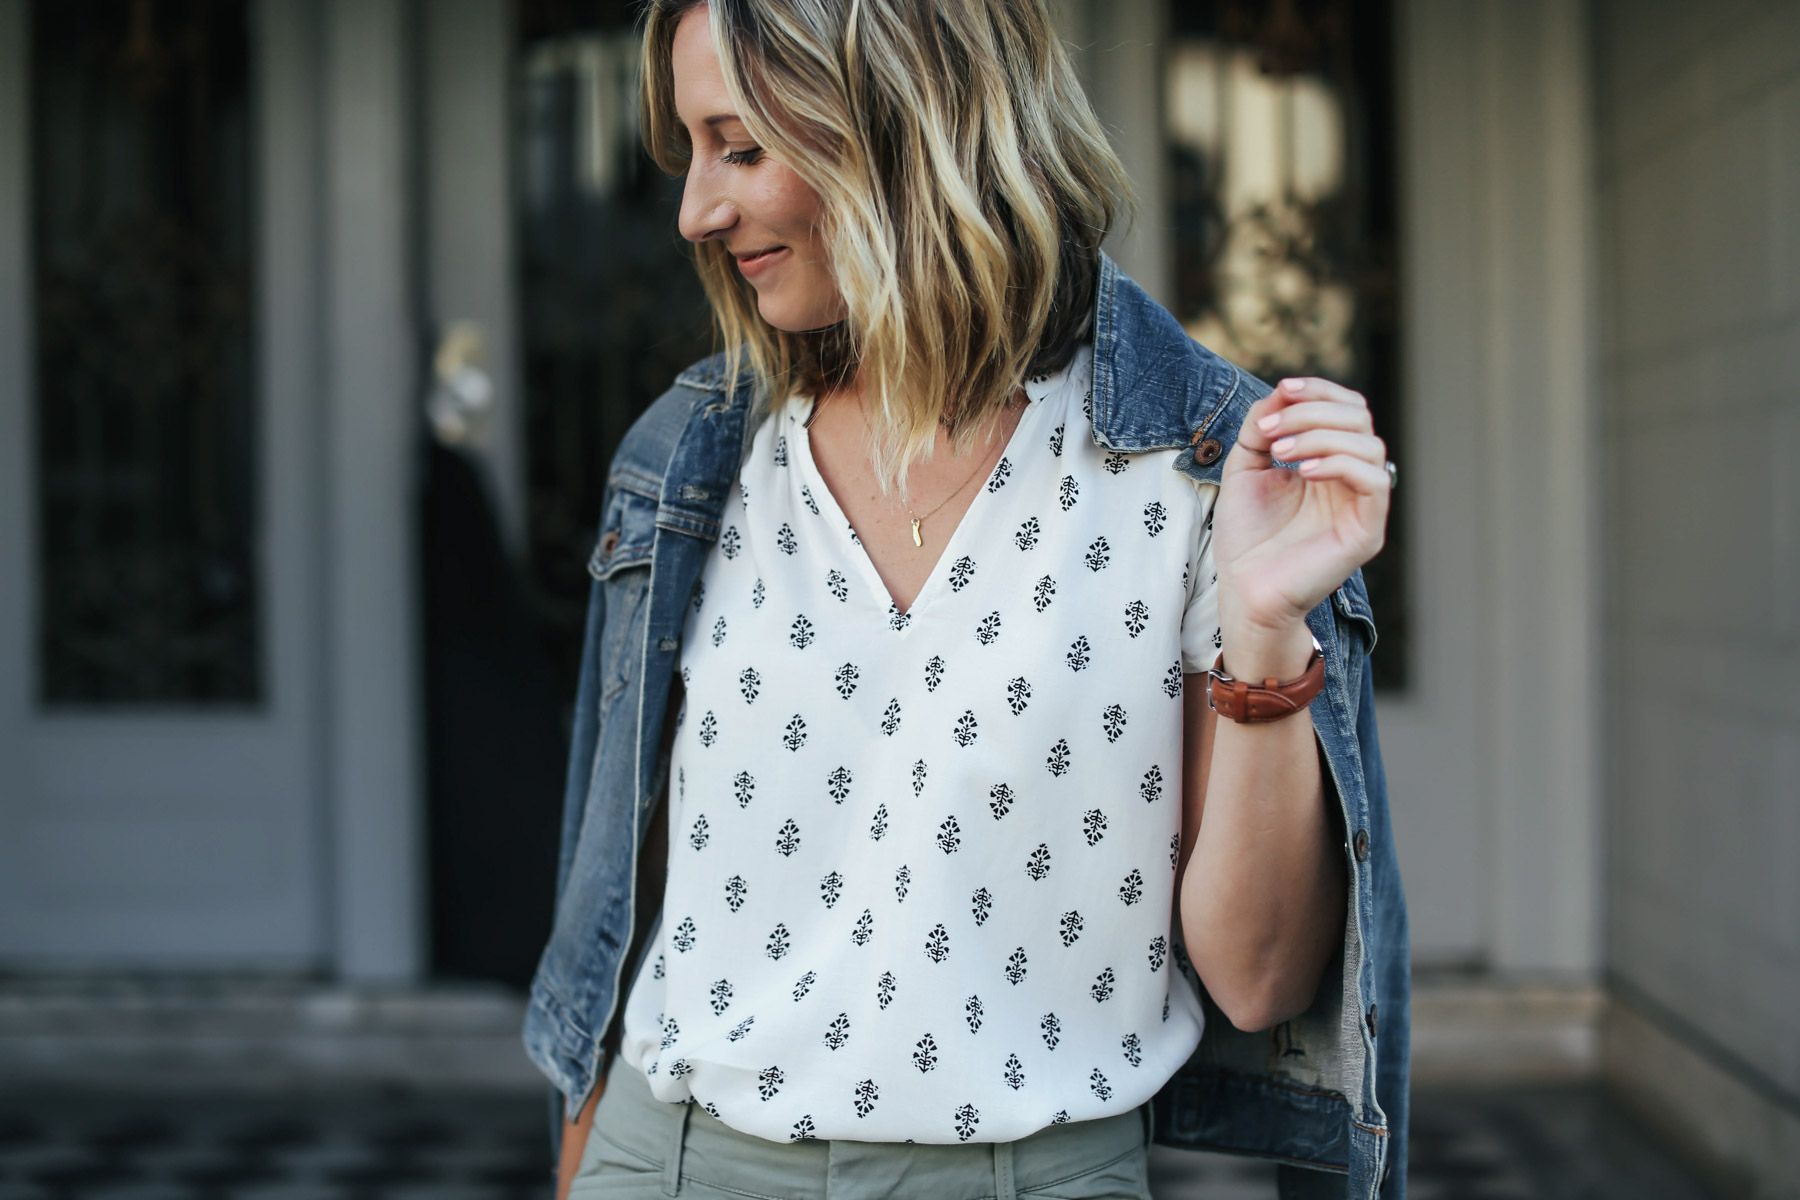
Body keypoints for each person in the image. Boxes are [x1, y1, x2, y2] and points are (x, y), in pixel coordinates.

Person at [523, 1, 1409, 1197]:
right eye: (689, 152)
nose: (695, 210)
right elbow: (624, 921)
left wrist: (1264, 619)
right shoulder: (693, 458)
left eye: (740, 147)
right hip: (670, 1157)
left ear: (903, 128)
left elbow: (1258, 980)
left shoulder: (1193, 474)